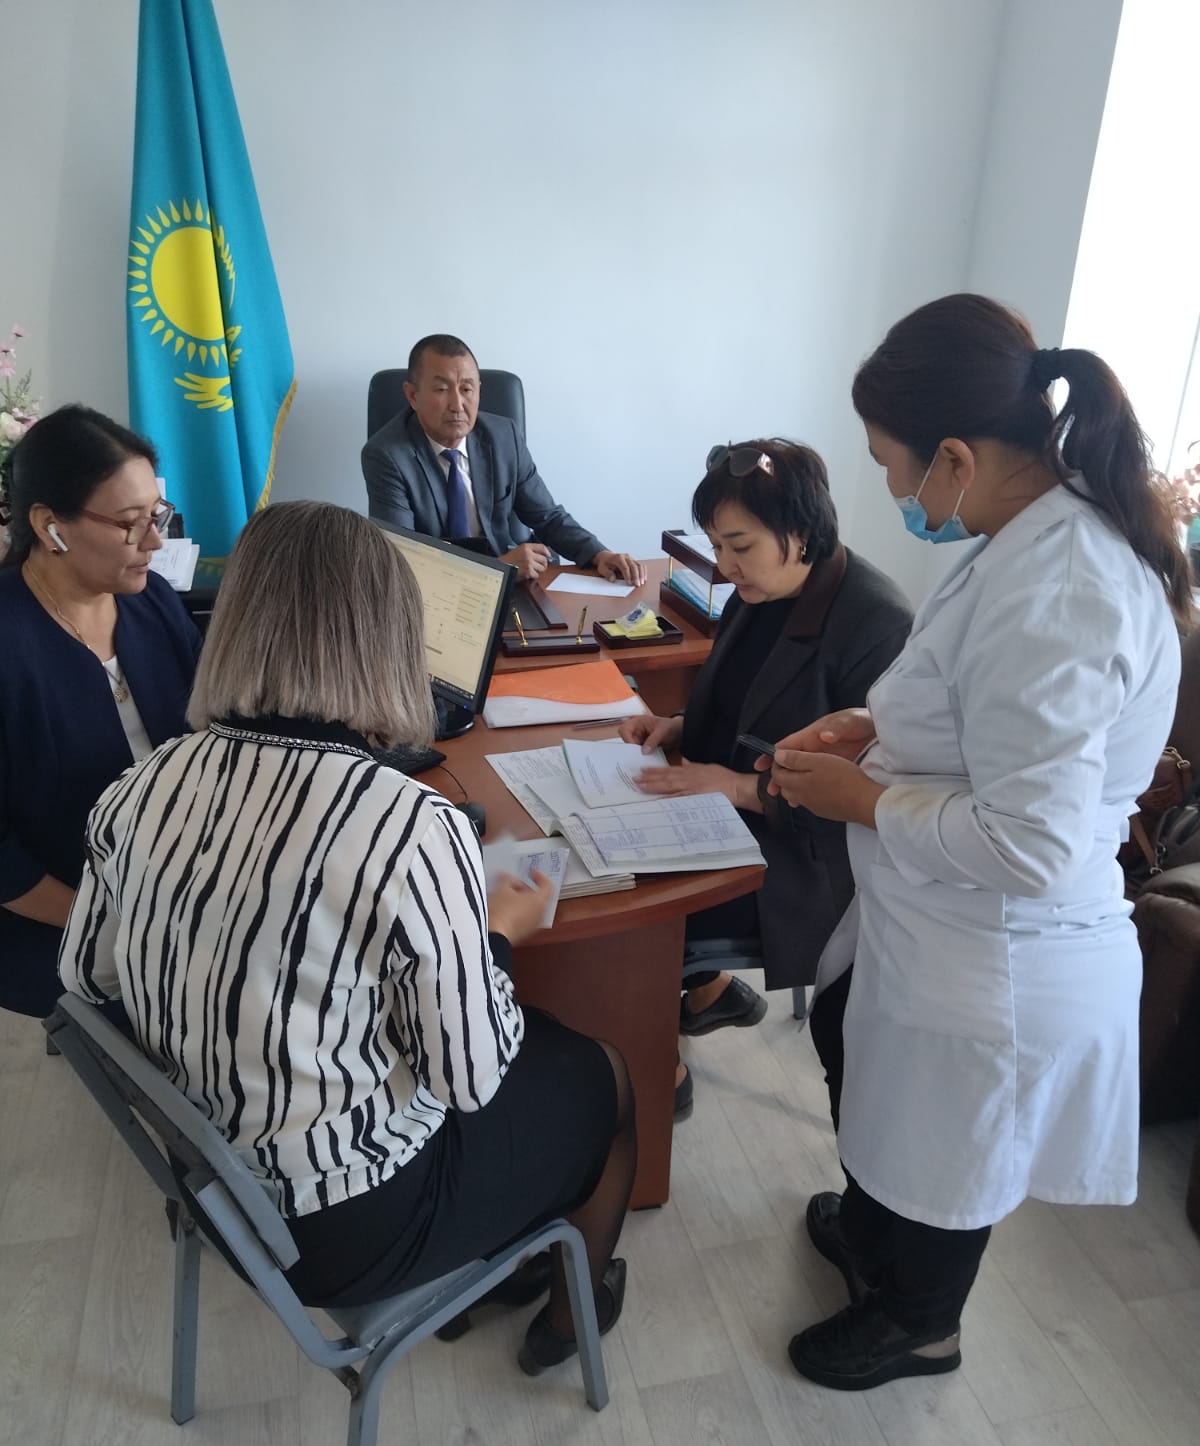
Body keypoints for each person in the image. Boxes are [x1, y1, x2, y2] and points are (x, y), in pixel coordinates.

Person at [59, 500, 635, 1375]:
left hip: (217, 1187)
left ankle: (503, 1252)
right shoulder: (406, 825)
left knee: (539, 1051)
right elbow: (471, 1080)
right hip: (342, 1225)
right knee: (606, 1077)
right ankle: (573, 1310)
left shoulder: (142, 784)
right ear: (388, 638)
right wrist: (496, 933)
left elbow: (86, 980)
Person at [760, 294, 1187, 1391]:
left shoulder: (1065, 587)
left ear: (954, 455)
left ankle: (920, 1324)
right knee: (859, 1046)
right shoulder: (1027, 531)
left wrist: (862, 797)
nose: (892, 491)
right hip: (931, 915)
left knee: (948, 1139)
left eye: (891, 466)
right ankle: (874, 1236)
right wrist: (869, 724)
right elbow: (970, 703)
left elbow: (1032, 842)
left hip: (1001, 945)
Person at [618, 440, 911, 1119]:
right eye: (717, 545)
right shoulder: (761, 591)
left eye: (740, 546)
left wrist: (735, 787)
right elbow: (743, 704)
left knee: (634, 917)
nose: (724, 565)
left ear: (800, 534)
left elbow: (866, 796)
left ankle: (657, 1064)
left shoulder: (876, 625)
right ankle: (708, 992)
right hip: (727, 812)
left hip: (803, 857)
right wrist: (679, 727)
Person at [0, 404, 200, 1018]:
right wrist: (117, 924)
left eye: (157, 515)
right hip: (57, 918)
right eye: (129, 523)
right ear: (49, 525)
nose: (155, 541)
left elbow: (213, 732)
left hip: (179, 885)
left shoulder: (152, 601)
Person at [362, 334, 645, 584]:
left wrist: (599, 554)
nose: (457, 405)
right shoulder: (387, 455)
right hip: (437, 594)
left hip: (515, 585)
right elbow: (401, 560)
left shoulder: (503, 436)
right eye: (441, 389)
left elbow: (547, 517)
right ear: (412, 395)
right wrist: (499, 569)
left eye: (467, 389)